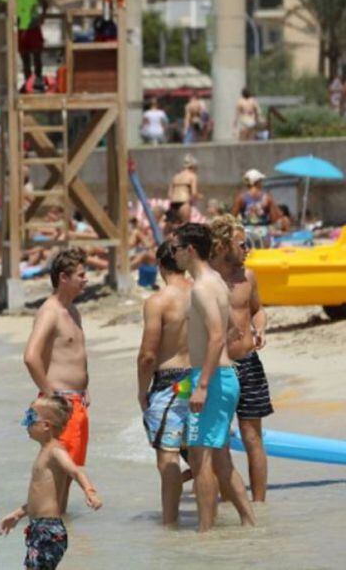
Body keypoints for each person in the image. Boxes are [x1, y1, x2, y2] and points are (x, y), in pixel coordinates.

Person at [173, 222, 256, 532]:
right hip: (222, 376)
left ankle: (205, 532)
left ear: (190, 250)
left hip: (211, 379)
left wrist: (202, 385)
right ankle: (250, 523)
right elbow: (233, 327)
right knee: (220, 459)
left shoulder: (202, 287)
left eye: (176, 249)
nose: (173, 254)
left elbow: (219, 335)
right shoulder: (217, 282)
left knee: (201, 458)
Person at [0, 396, 102, 570]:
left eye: (31, 417)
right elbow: (39, 497)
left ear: (46, 425)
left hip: (48, 530)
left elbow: (75, 471)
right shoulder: (44, 452)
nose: (26, 423)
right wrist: (17, 514)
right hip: (39, 528)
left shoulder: (55, 451)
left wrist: (89, 491)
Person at [209, 215, 272, 503]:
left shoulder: (248, 277)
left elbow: (257, 310)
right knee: (217, 438)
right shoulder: (206, 281)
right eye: (242, 244)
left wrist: (260, 328)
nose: (248, 249)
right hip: (217, 367)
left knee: (252, 436)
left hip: (248, 364)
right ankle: (228, 502)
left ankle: (259, 504)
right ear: (223, 246)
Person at [23, 248, 90, 514]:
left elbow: (75, 354)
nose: (86, 279)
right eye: (81, 275)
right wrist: (50, 395)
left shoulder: (72, 310)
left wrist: (86, 387)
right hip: (60, 402)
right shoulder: (50, 311)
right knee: (57, 474)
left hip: (77, 402)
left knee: (69, 473)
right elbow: (31, 357)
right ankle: (50, 526)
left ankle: (60, 525)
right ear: (63, 277)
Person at [137, 240, 191, 526]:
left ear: (160, 265)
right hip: (201, 379)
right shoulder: (203, 293)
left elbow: (148, 355)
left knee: (168, 459)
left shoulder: (158, 302)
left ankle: (170, 526)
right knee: (204, 457)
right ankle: (214, 525)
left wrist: (141, 391)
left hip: (170, 383)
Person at [2, 0, 49, 90]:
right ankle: (28, 83)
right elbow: (3, 7)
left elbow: (45, 3)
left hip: (33, 28)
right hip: (19, 29)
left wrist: (42, 17)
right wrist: (10, 16)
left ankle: (38, 81)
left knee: (37, 56)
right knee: (25, 59)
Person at [167, 154, 200, 224]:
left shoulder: (175, 176)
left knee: (171, 227)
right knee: (185, 227)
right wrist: (199, 196)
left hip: (173, 204)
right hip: (184, 203)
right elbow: (194, 193)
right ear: (193, 166)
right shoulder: (192, 176)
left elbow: (169, 194)